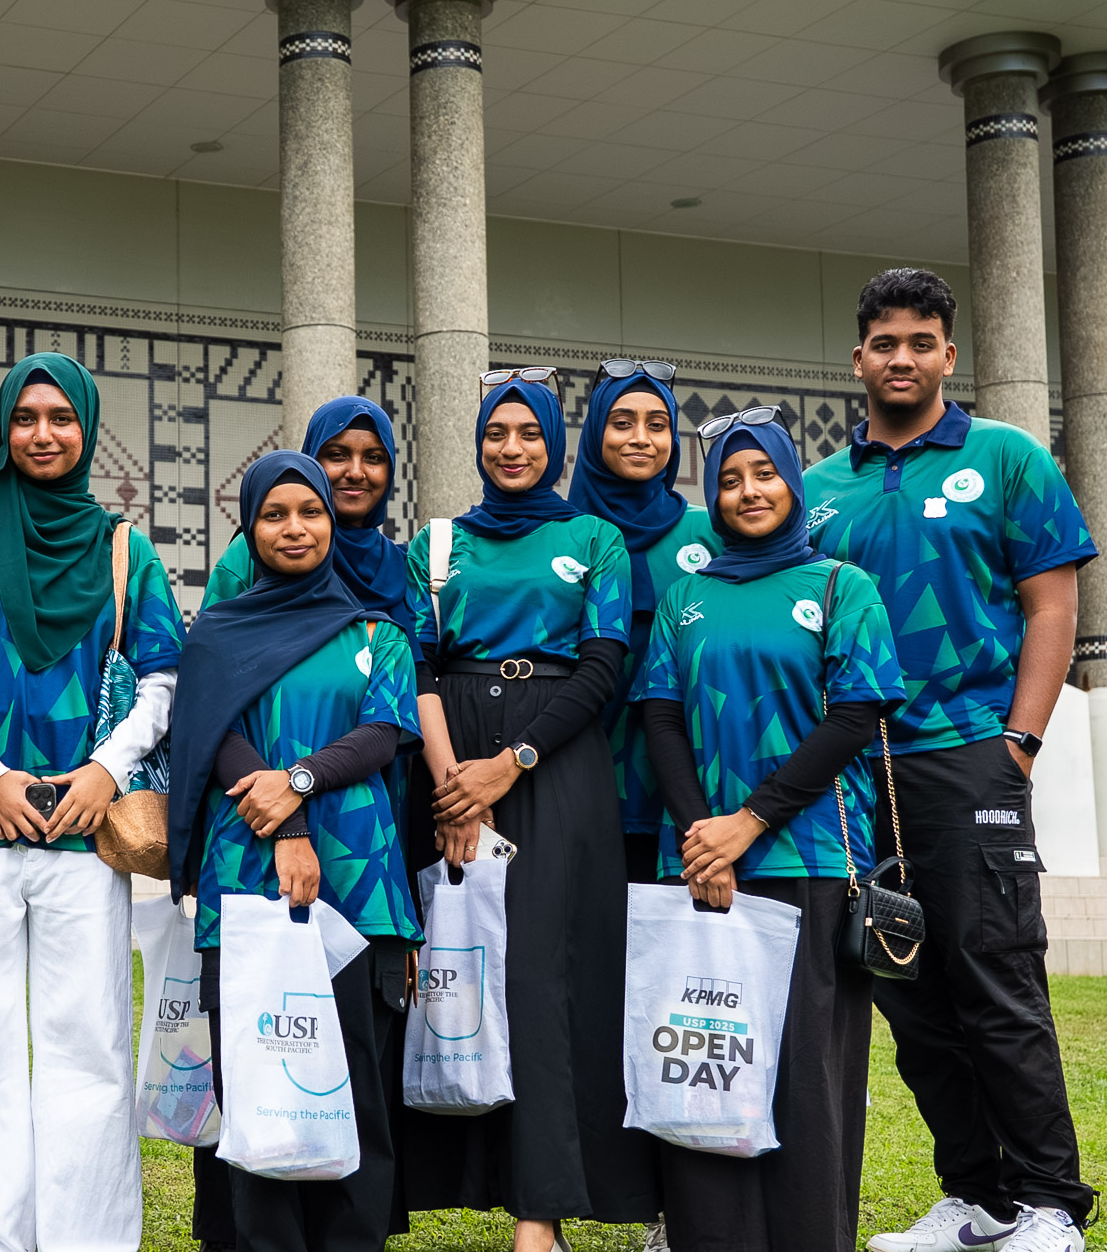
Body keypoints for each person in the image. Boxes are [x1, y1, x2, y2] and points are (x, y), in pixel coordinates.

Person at [805, 269, 1098, 1252]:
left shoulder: (1007, 457)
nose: (903, 358)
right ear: (858, 358)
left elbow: (1052, 605)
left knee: (995, 982)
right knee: (907, 992)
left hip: (970, 756)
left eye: (921, 342)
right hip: (857, 777)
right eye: (885, 343)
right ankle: (978, 1199)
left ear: (949, 355)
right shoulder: (817, 491)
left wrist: (1019, 744)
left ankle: (1050, 1204)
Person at [0, 352, 184, 1252]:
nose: (43, 434)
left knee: (87, 1047)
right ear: (3, 428)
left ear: (87, 429)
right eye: (26, 417)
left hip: (85, 834)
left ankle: (87, 1238)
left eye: (61, 418)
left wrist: (105, 770)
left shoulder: (124, 546)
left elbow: (162, 678)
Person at [398, 373, 659, 1251]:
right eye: (496, 433)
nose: (512, 448)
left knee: (545, 975)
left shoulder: (594, 538)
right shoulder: (437, 544)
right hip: (450, 758)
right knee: (467, 967)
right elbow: (418, 666)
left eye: (529, 434)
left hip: (555, 765)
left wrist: (508, 766)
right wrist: (452, 787)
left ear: (554, 442)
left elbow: (603, 667)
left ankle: (538, 1216)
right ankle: (466, 1176)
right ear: (478, 441)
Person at [634, 411, 905, 1252]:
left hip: (808, 859)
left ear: (792, 482)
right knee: (703, 1063)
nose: (748, 491)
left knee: (804, 1076)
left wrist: (748, 823)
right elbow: (660, 717)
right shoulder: (685, 597)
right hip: (702, 865)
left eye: (764, 475)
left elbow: (854, 717)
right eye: (728, 479)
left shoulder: (842, 587)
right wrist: (703, 840)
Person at [165, 450, 424, 1252]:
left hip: (361, 887)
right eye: (274, 515)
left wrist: (300, 781)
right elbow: (213, 737)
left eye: (310, 511)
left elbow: (383, 733)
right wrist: (288, 828)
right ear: (249, 528)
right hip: (247, 885)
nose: (295, 528)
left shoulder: (376, 633)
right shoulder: (215, 636)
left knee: (353, 1091)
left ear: (331, 522)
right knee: (257, 1088)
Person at [567, 361, 720, 885]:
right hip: (578, 783)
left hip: (690, 795)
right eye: (622, 423)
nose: (641, 438)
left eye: (657, 425)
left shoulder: (710, 532)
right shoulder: (562, 536)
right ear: (594, 433)